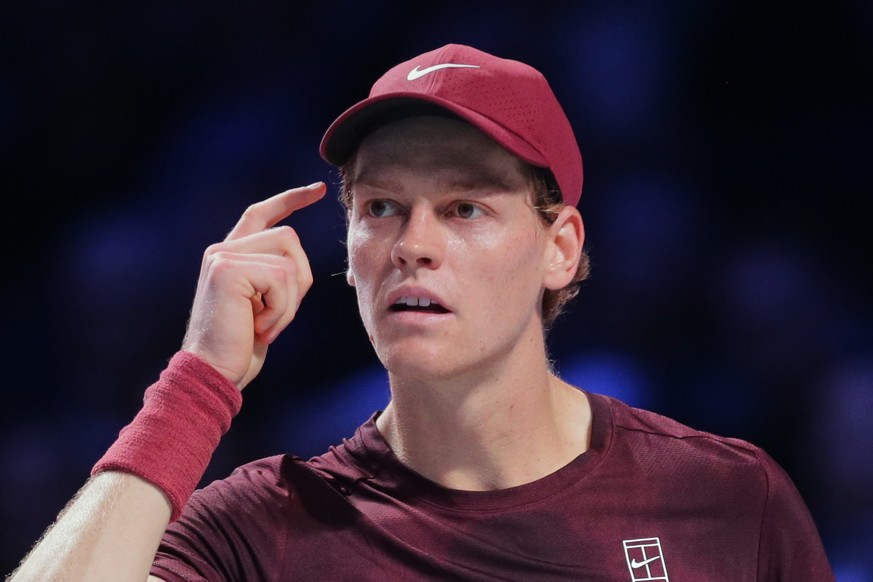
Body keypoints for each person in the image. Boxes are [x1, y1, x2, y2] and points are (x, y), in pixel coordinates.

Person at [10, 43, 834, 582]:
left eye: (465, 207)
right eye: (379, 207)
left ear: (560, 247)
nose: (412, 243)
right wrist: (198, 383)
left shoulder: (724, 499)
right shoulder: (264, 530)